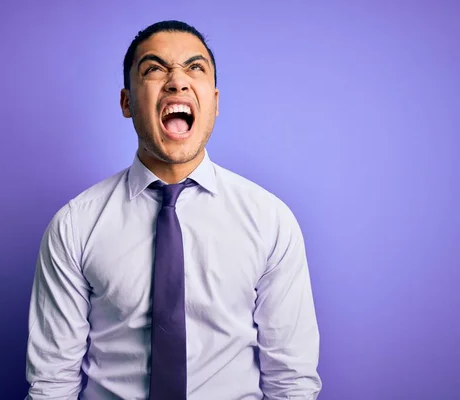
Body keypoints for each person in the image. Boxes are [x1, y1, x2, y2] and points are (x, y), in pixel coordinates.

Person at [25, 20, 322, 400]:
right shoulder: (74, 225)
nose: (177, 82)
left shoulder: (270, 220)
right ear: (127, 102)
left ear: (215, 102)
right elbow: (52, 383)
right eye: (154, 69)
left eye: (194, 68)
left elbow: (291, 381)